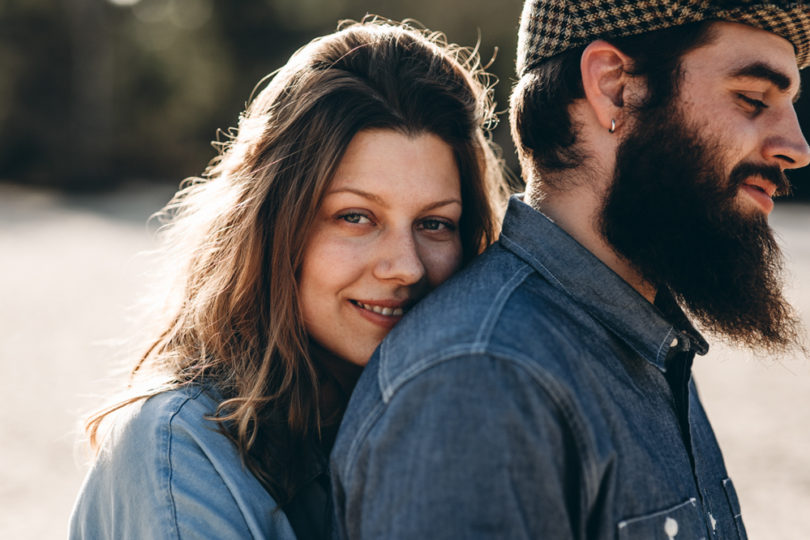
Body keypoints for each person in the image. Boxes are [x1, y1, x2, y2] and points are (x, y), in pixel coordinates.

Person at [331, 1, 810, 538]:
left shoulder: (643, 340)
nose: (797, 147)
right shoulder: (481, 382)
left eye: (790, 104)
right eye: (752, 99)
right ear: (613, 85)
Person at [69, 19, 508, 540]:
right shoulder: (177, 449)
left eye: (435, 224)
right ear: (275, 226)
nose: (406, 267)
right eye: (356, 217)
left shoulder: (462, 424)